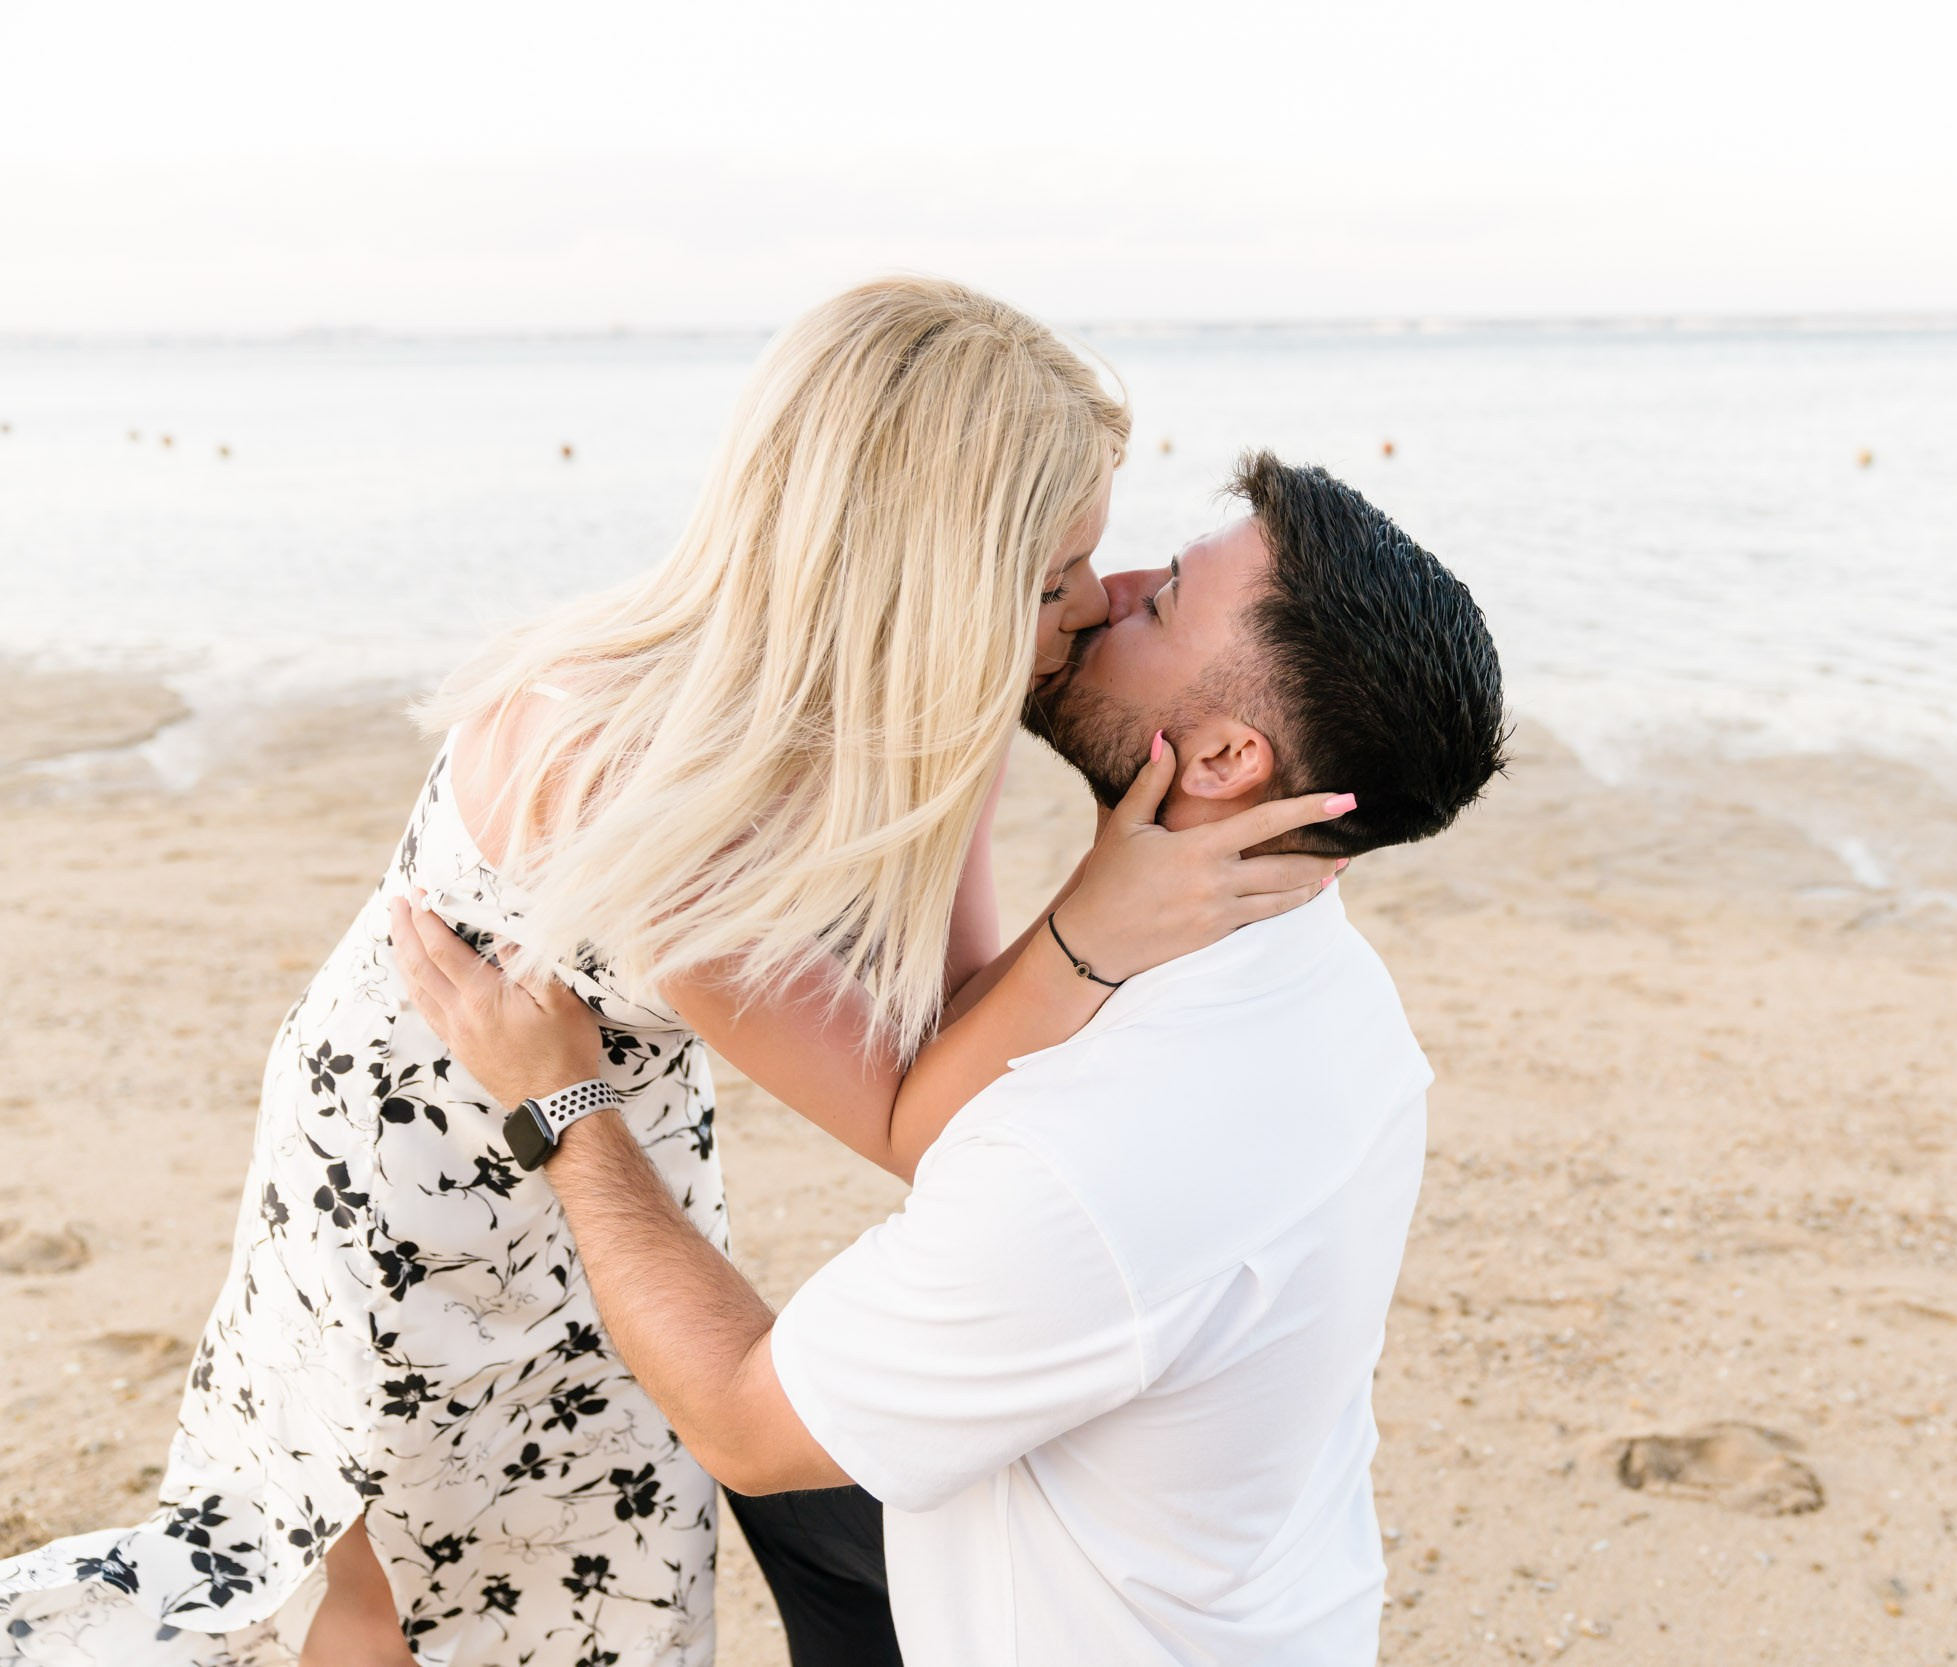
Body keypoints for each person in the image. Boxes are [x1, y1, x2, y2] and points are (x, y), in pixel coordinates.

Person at [0, 284, 1350, 1667]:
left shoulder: (882, 701)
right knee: (393, 1580)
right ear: (920, 568)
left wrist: (993, 749)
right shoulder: (622, 771)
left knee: (598, 1567)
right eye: (1047, 576)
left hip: (604, 1134)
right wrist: (1102, 918)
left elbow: (949, 1029)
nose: (1085, 605)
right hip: (433, 1171)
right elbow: (916, 1117)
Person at [390, 452, 1508, 1666]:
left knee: (775, 1442)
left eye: (1158, 598)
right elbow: (977, 1034)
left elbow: (745, 1424)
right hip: (1258, 1600)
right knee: (815, 1502)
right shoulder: (1324, 981)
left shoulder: (1094, 1157)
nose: (1100, 592)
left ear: (1230, 761)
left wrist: (567, 1103)